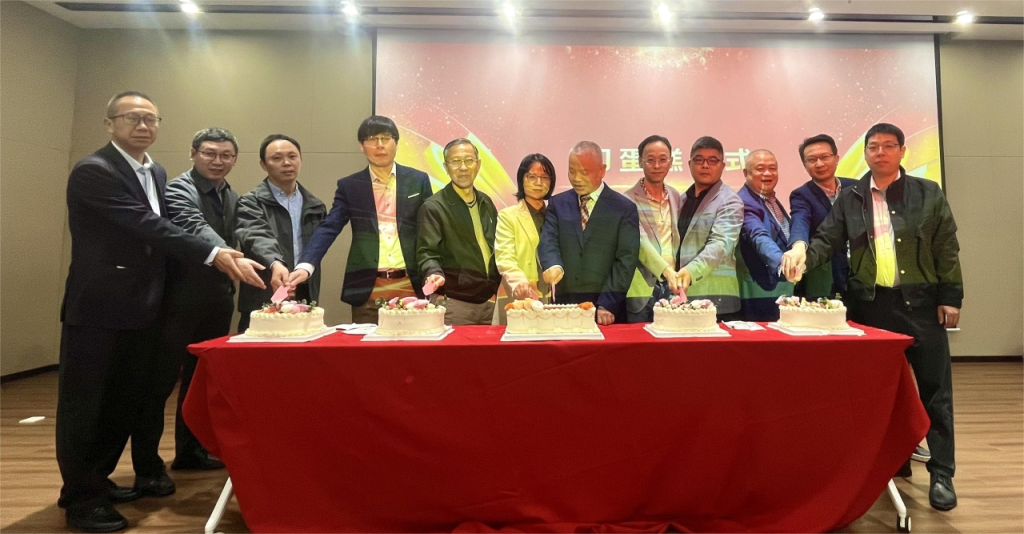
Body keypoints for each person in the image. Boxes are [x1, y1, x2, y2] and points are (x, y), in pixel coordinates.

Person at [57, 91, 245, 532]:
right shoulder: (94, 170)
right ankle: (81, 499)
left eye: (150, 119)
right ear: (109, 123)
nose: (142, 126)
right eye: (131, 118)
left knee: (119, 402)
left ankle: (96, 480)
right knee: (86, 405)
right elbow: (147, 225)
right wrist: (213, 253)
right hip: (99, 306)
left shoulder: (153, 171)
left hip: (143, 306)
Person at [783, 123, 962, 511]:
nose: (880, 152)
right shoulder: (851, 198)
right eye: (873, 147)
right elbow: (827, 239)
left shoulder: (927, 192)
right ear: (864, 154)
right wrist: (801, 257)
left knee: (935, 391)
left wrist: (951, 297)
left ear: (902, 151)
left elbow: (946, 246)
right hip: (871, 306)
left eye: (888, 146)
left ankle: (942, 473)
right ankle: (894, 463)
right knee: (882, 393)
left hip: (922, 304)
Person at [160, 127, 263, 472]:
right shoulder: (178, 188)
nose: (218, 161)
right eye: (209, 153)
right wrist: (227, 255)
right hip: (179, 298)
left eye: (226, 155)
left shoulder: (231, 195)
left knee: (200, 380)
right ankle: (147, 465)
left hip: (217, 297)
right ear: (193, 154)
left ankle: (190, 453)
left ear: (234, 159)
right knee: (160, 382)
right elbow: (194, 225)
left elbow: (247, 233)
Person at [287, 116, 433, 323]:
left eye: (386, 138)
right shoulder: (350, 186)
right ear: (361, 146)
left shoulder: (418, 180)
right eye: (372, 139)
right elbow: (329, 226)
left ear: (396, 143)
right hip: (368, 289)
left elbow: (431, 229)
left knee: (416, 343)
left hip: (412, 285)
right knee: (366, 344)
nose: (380, 145)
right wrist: (306, 265)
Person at [538, 141, 640, 325]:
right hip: (565, 305)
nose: (576, 178)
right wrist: (552, 264)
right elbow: (548, 240)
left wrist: (608, 303)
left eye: (584, 172)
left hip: (606, 308)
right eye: (572, 171)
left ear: (602, 170)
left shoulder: (624, 208)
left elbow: (626, 259)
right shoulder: (557, 204)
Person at [235, 134, 327, 332]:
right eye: (277, 158)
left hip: (304, 294)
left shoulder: (316, 206)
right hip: (264, 295)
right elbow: (256, 236)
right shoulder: (250, 202)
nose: (286, 163)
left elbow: (316, 247)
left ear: (301, 159)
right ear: (263, 164)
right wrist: (276, 263)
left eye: (292, 156)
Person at [416, 138, 501, 324]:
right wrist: (433, 272)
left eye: (469, 160)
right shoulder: (434, 207)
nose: (463, 167)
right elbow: (427, 252)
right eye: (455, 161)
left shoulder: (486, 202)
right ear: (446, 166)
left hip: (490, 302)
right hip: (454, 304)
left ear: (478, 164)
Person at [674, 136, 743, 321]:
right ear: (689, 164)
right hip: (682, 299)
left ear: (722, 165)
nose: (705, 165)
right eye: (699, 160)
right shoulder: (681, 199)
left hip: (717, 299)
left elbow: (720, 245)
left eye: (712, 160)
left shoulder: (730, 200)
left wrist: (690, 272)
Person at [788, 134, 858, 299]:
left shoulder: (856, 187)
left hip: (861, 276)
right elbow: (800, 221)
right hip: (826, 277)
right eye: (812, 160)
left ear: (836, 158)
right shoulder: (801, 195)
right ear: (805, 165)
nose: (819, 164)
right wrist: (798, 245)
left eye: (824, 157)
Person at [623, 135, 682, 323]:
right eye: (650, 160)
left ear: (671, 162)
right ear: (640, 161)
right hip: (642, 289)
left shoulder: (675, 196)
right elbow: (640, 241)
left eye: (663, 159)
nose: (657, 165)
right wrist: (666, 271)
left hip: (672, 287)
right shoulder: (627, 200)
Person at [494, 154, 556, 323]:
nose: (538, 183)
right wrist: (519, 283)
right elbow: (504, 256)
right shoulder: (508, 216)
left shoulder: (556, 215)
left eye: (544, 177)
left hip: (553, 298)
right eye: (532, 177)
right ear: (521, 180)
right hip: (521, 297)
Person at [735, 149, 794, 321]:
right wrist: (784, 264)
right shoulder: (744, 201)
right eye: (760, 169)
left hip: (782, 288)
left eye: (772, 168)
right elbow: (759, 236)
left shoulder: (770, 199)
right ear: (746, 173)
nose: (767, 173)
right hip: (758, 291)